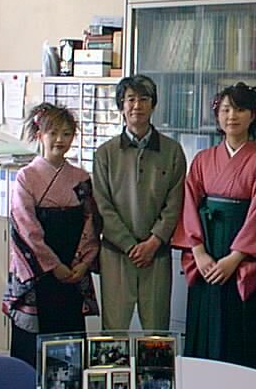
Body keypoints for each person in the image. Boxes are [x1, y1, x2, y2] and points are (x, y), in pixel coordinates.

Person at [172, 82, 256, 370]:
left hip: (242, 257)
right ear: (217, 115)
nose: (232, 116)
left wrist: (235, 258)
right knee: (205, 325)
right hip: (207, 250)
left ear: (253, 115)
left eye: (240, 109)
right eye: (225, 109)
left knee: (240, 330)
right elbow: (188, 205)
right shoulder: (202, 159)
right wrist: (198, 252)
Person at [2, 102, 101, 368]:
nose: (60, 139)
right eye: (53, 132)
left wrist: (83, 263)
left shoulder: (80, 177)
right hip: (40, 271)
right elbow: (25, 227)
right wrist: (53, 265)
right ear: (39, 135)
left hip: (72, 267)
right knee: (34, 347)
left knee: (69, 345)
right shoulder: (26, 177)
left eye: (66, 133)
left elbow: (91, 223)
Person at [92, 75, 186, 331]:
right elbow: (102, 205)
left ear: (153, 104)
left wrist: (153, 243)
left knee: (156, 332)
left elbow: (175, 203)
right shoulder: (105, 153)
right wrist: (129, 245)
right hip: (116, 253)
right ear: (121, 106)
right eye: (130, 99)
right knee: (113, 332)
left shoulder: (172, 151)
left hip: (156, 254)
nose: (137, 106)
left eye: (144, 99)